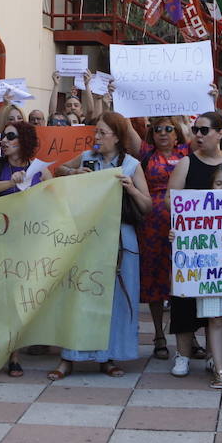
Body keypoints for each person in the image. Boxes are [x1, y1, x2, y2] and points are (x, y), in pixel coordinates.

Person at [51, 111, 151, 379]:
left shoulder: (130, 165)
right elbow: (57, 170)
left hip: (119, 238)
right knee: (79, 293)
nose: (96, 137)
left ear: (117, 137)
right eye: (96, 132)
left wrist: (130, 188)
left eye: (102, 133)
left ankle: (107, 356)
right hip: (87, 237)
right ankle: (69, 357)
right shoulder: (88, 158)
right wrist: (74, 172)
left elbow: (147, 205)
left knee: (115, 299)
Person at [166, 111, 222, 381]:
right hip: (194, 245)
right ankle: (182, 354)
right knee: (185, 299)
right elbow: (171, 200)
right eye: (195, 130)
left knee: (220, 306)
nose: (198, 135)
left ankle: (218, 357)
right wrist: (197, 211)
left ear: (220, 133)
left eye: (204, 130)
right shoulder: (186, 163)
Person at [0, 121, 52, 376]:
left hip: (30, 239)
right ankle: (9, 351)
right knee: (4, 293)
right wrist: (9, 181)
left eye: (10, 136)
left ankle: (16, 350)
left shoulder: (39, 169)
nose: (4, 140)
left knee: (23, 294)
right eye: (3, 136)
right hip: (2, 237)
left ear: (23, 139)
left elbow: (53, 198)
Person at [138, 116, 189, 360]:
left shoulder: (187, 153)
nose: (163, 133)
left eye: (169, 129)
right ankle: (159, 335)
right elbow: (125, 127)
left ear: (178, 134)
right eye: (158, 129)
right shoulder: (146, 154)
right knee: (155, 279)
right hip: (152, 226)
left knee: (185, 278)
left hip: (185, 224)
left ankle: (189, 336)